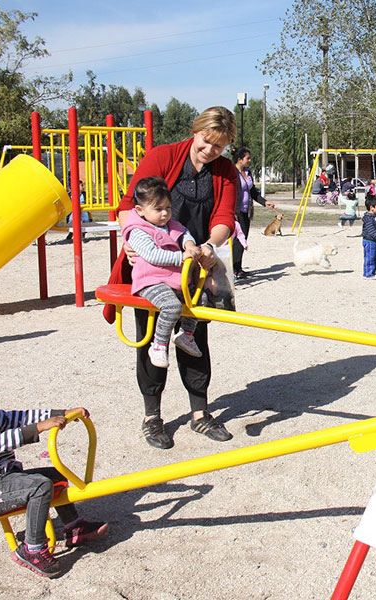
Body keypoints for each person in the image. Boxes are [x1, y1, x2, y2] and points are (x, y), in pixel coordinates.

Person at [106, 106, 237, 449]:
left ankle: (200, 413)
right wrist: (132, 242)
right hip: (154, 267)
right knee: (153, 335)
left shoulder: (225, 171)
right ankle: (152, 417)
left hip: (193, 268)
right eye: (206, 141)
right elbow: (128, 205)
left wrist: (209, 246)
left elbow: (224, 217)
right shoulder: (163, 157)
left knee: (194, 336)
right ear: (195, 131)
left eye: (219, 146)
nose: (210, 150)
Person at [0, 404, 108, 577]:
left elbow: (25, 417)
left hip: (7, 478)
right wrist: (39, 427)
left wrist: (62, 414)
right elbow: (2, 440)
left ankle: (73, 526)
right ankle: (32, 548)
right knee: (39, 487)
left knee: (56, 475)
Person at [123, 176, 203, 369]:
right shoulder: (138, 231)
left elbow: (184, 233)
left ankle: (186, 334)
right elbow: (152, 255)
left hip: (174, 279)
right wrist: (181, 257)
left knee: (201, 298)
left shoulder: (171, 225)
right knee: (172, 307)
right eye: (158, 209)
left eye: (168, 208)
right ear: (140, 210)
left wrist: (189, 244)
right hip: (151, 281)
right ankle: (159, 345)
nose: (165, 213)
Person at [233, 147, 271, 280]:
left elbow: (253, 191)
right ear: (240, 159)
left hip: (246, 211)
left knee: (243, 239)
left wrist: (265, 202)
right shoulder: (232, 173)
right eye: (247, 158)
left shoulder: (247, 172)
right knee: (237, 240)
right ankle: (234, 269)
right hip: (236, 212)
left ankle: (238, 268)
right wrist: (231, 211)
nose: (250, 160)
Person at [361, 193, 376, 279]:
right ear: (372, 207)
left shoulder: (374, 216)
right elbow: (371, 231)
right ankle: (368, 274)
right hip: (369, 241)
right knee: (370, 258)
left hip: (375, 240)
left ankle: (372, 270)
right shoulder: (368, 218)